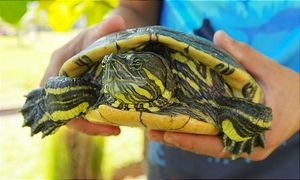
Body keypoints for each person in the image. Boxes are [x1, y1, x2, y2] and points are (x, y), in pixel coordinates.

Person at [41, 1, 300, 179]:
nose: (115, 69)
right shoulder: (106, 80)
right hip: (172, 162)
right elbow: (135, 7)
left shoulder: (206, 85)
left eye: (136, 66)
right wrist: (52, 99)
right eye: (112, 67)